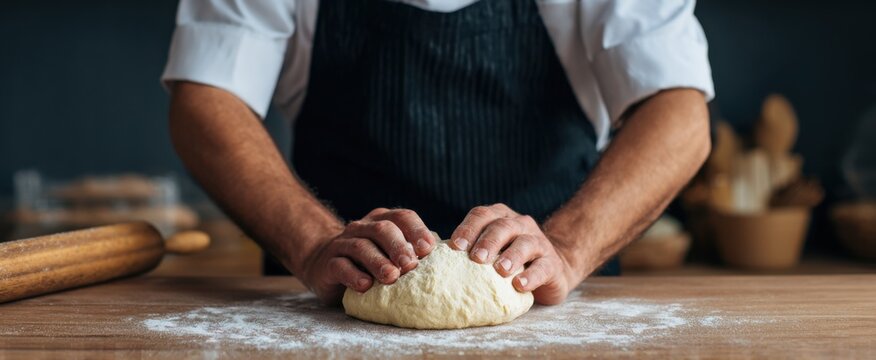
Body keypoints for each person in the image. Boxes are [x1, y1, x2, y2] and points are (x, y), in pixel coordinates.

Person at [162, 0, 713, 305]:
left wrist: (567, 249)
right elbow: (208, 97)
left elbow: (678, 112)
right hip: (330, 310)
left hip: (548, 312)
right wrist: (310, 243)